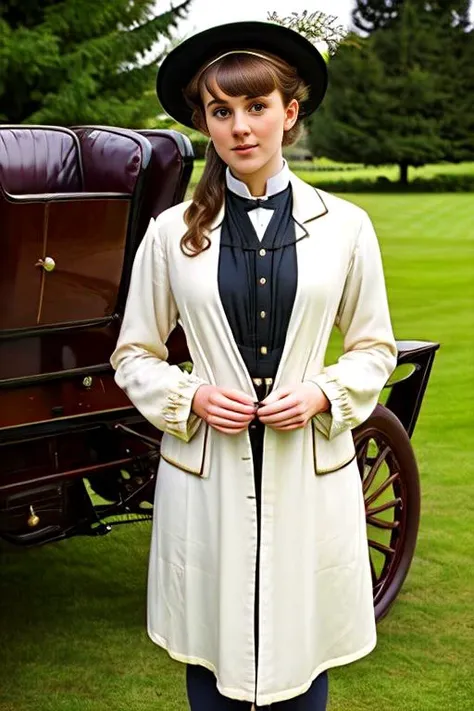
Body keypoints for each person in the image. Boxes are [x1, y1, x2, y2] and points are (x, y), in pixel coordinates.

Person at [110, 19, 397, 711]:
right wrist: (192, 397)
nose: (241, 127)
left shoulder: (347, 226)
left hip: (309, 468)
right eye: (221, 111)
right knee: (212, 642)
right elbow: (134, 352)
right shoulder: (171, 233)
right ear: (205, 122)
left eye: (257, 107)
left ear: (289, 112)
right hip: (207, 468)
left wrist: (326, 393)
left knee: (304, 640)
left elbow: (373, 346)